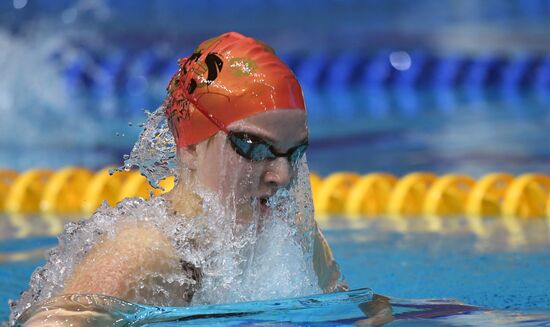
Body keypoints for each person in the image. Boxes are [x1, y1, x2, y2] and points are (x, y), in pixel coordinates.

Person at [10, 32, 347, 325]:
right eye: (254, 147)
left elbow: (353, 312)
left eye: (294, 152)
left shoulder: (294, 240)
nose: (281, 175)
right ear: (189, 147)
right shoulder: (145, 255)